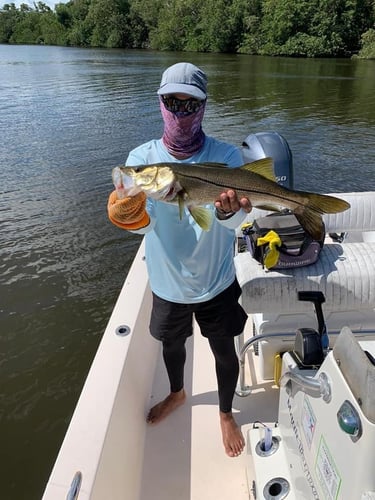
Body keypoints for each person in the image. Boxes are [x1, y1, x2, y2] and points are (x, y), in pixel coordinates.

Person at [107, 62, 252, 457]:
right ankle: (177, 392)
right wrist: (131, 216)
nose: (180, 113)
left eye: (190, 105)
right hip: (168, 282)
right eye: (173, 102)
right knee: (172, 346)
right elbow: (145, 229)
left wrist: (228, 211)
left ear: (203, 107)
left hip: (217, 280)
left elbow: (238, 221)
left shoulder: (225, 157)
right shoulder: (143, 158)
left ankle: (225, 412)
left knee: (224, 350)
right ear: (160, 103)